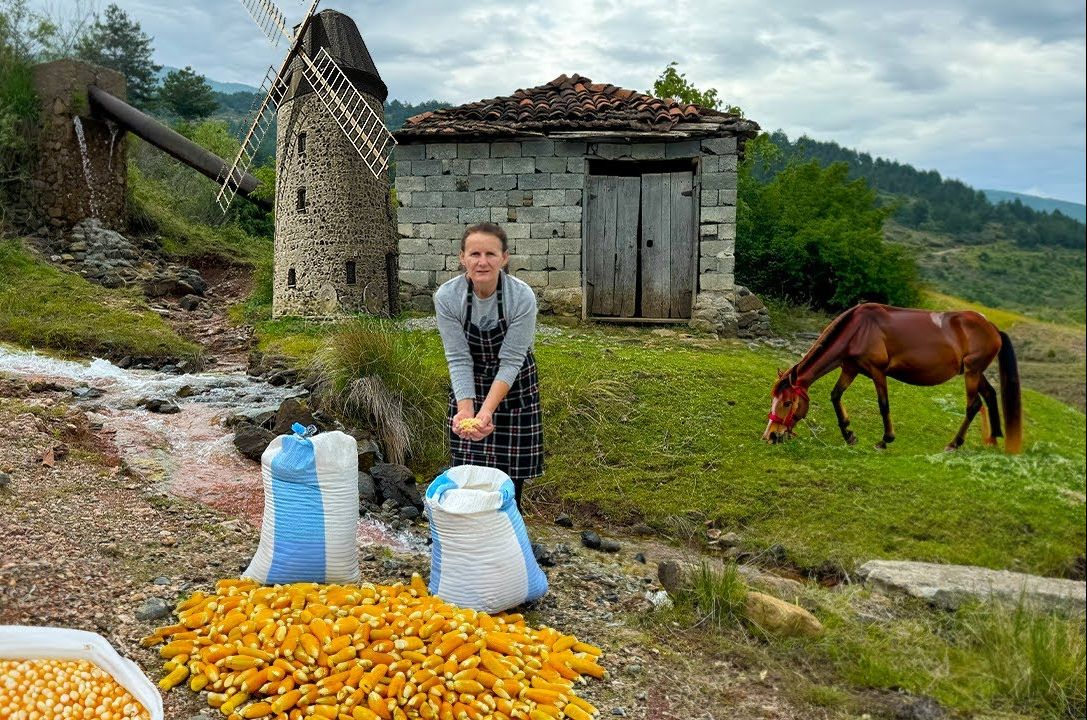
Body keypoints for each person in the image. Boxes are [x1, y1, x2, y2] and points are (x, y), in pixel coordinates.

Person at [434, 223, 542, 509]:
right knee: (467, 472)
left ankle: (508, 532)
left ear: (504, 258)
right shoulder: (447, 297)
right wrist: (467, 412)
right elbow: (458, 358)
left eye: (491, 254)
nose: (482, 262)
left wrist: (487, 411)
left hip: (514, 386)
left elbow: (511, 360)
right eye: (475, 254)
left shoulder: (522, 297)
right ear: (462, 258)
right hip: (470, 383)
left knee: (510, 476)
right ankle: (469, 536)